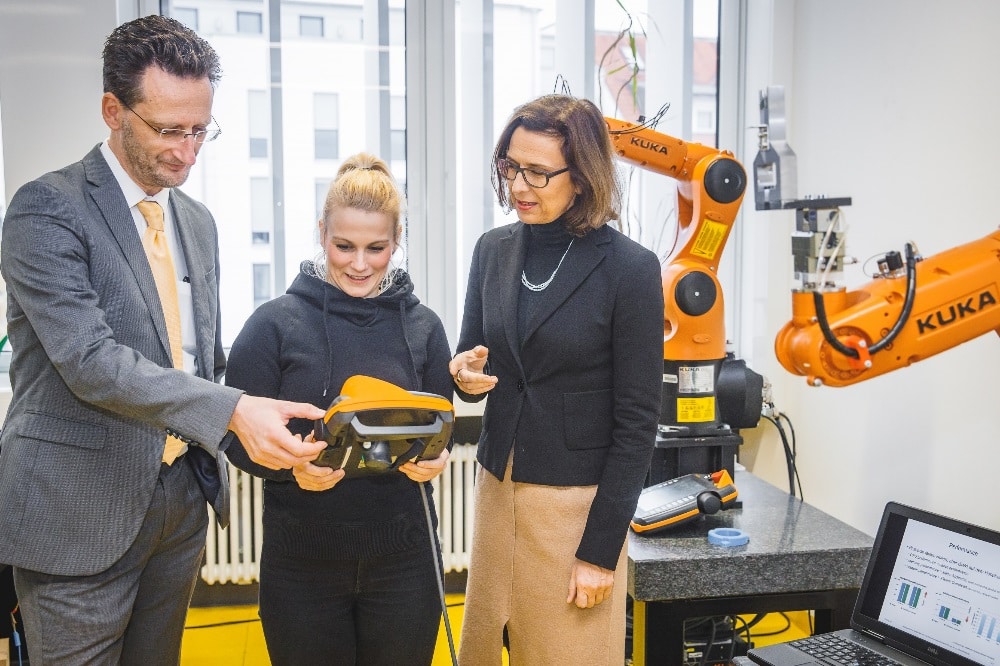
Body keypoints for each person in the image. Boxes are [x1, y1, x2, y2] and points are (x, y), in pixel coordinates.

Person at [0, 15, 326, 665]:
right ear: (112, 110)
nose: (186, 149)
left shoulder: (198, 224)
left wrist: (277, 446)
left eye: (200, 129)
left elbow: (197, 364)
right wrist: (234, 410)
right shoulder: (46, 208)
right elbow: (89, 361)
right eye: (168, 129)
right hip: (76, 508)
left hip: (180, 502)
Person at [451, 94, 665, 664]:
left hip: (575, 507)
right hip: (498, 492)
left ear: (584, 176)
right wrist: (465, 374)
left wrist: (600, 553)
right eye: (511, 166)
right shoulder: (492, 249)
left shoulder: (630, 269)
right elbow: (473, 354)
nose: (520, 185)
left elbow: (637, 425)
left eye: (539, 172)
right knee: (485, 650)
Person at [224, 152, 454, 665]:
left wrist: (434, 460)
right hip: (301, 562)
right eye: (343, 245)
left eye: (377, 248)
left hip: (406, 561)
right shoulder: (274, 325)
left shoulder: (423, 328)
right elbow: (233, 438)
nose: (359, 263)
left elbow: (441, 427)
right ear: (321, 232)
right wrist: (290, 471)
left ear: (397, 242)